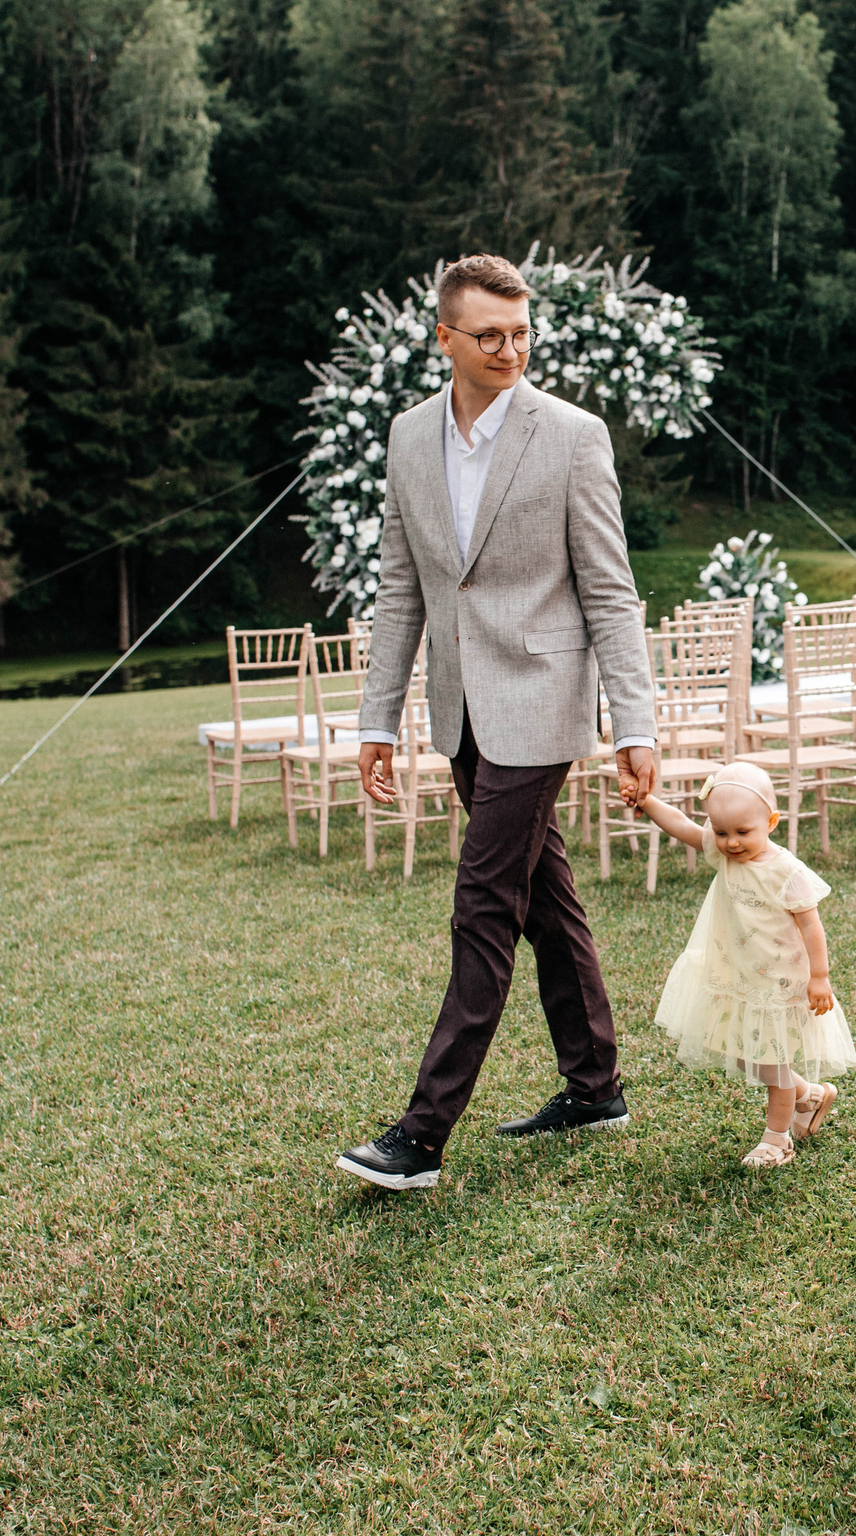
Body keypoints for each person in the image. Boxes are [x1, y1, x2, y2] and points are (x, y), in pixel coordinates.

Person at [336, 254, 659, 1192]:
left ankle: (423, 1133)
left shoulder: (572, 435)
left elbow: (610, 588)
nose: (510, 349)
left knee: (483, 904)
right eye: (489, 335)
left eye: (521, 333)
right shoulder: (405, 438)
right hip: (461, 710)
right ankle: (595, 1085)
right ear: (445, 338)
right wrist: (378, 717)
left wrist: (632, 721)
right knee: (543, 901)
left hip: (543, 702)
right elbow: (403, 589)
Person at [632, 760, 856, 1167]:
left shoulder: (786, 870)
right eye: (720, 832)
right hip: (736, 975)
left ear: (771, 821)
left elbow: (811, 924)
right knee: (741, 1050)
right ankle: (810, 1096)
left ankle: (777, 1140)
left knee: (773, 1061)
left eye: (742, 832)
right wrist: (647, 801)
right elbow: (682, 825)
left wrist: (820, 977)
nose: (731, 843)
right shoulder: (724, 857)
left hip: (780, 984)